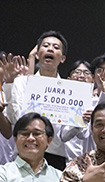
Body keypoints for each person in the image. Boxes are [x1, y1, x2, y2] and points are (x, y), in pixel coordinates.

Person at [6, 30, 71, 168]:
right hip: (25, 150)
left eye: (56, 47)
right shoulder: (22, 83)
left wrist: (79, 121)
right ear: (37, 54)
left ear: (62, 58)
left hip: (55, 154)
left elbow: (64, 135)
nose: (50, 49)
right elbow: (15, 119)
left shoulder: (68, 90)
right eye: (46, 45)